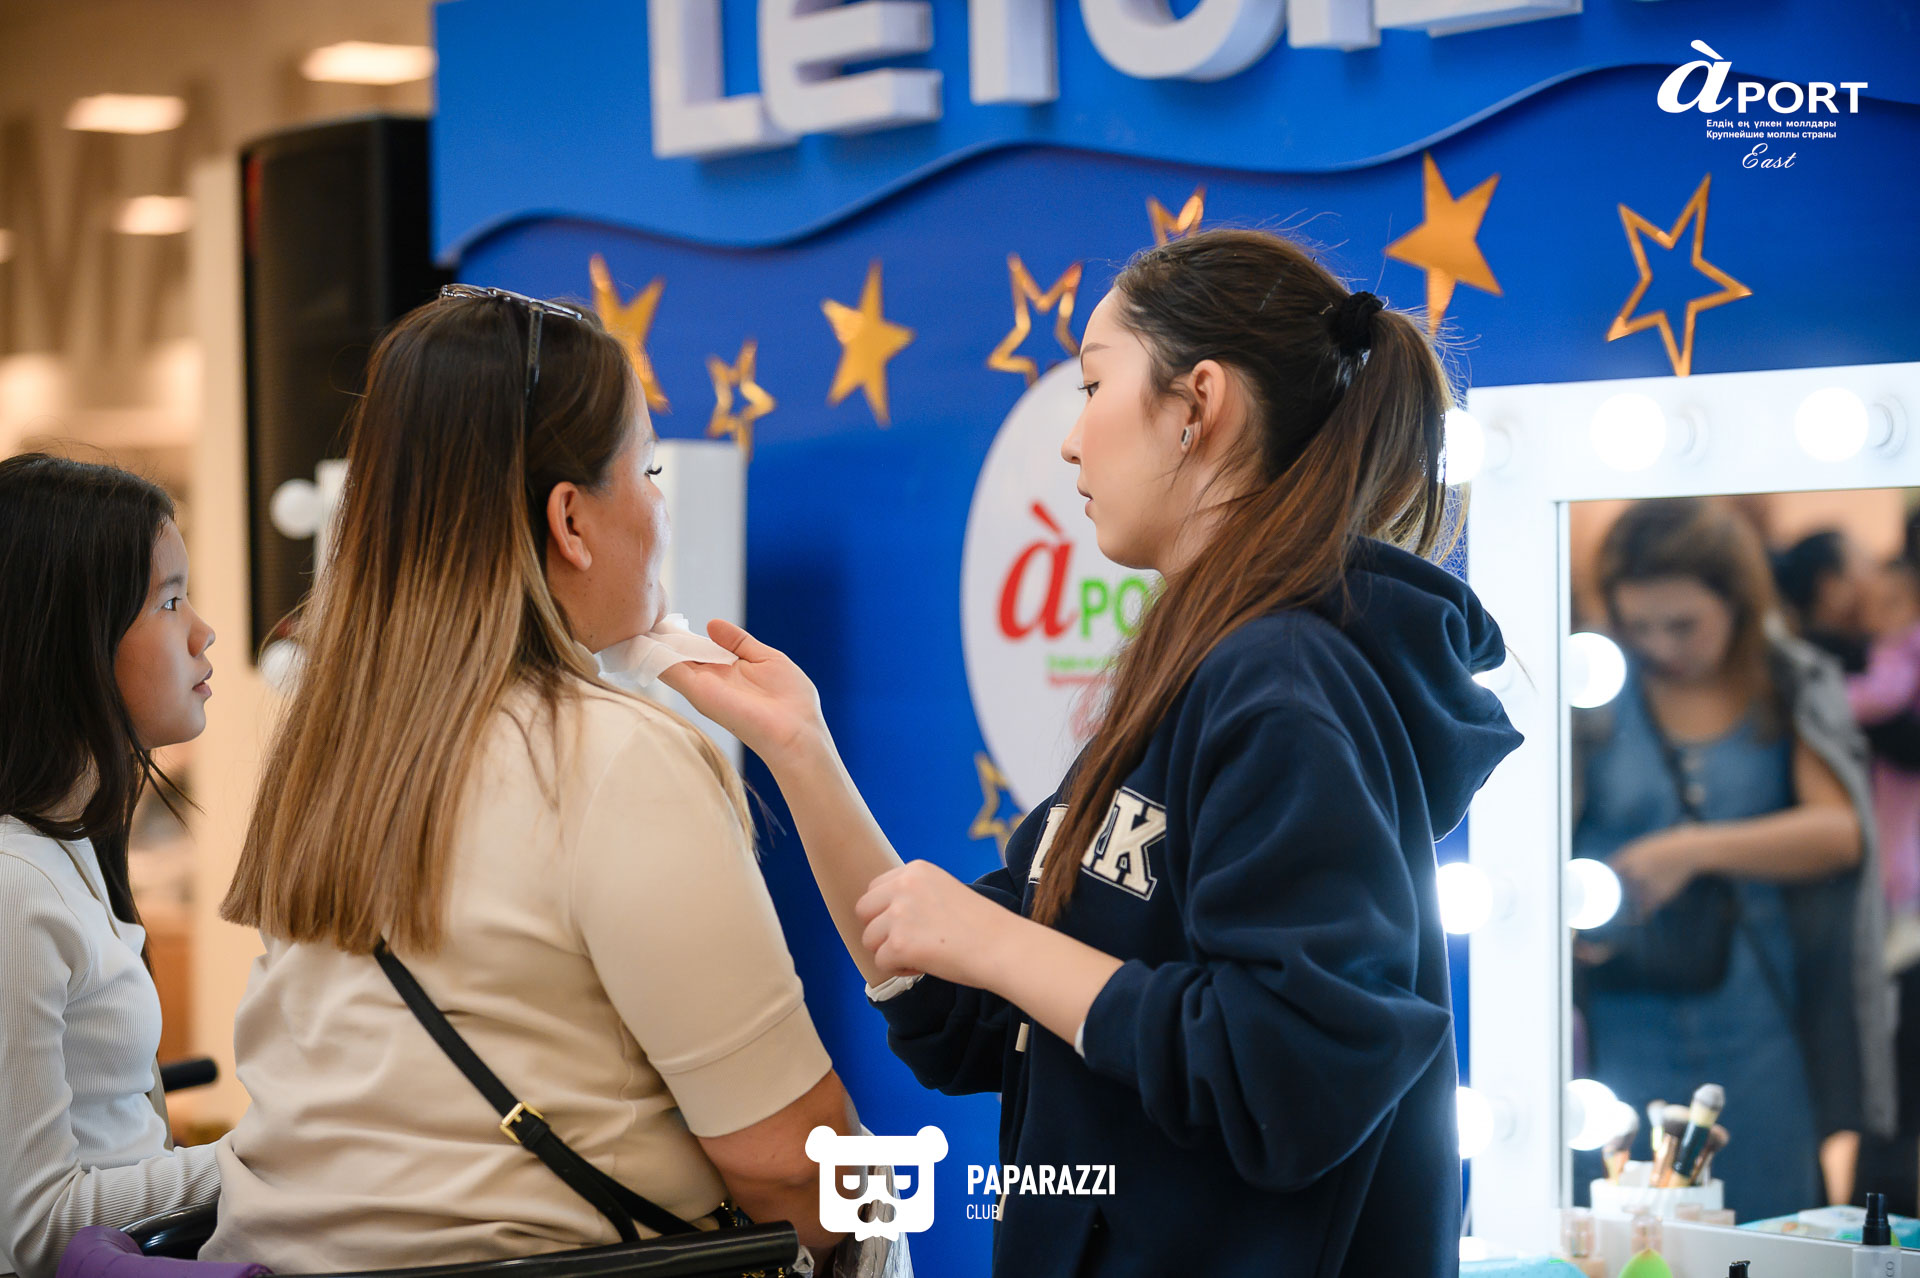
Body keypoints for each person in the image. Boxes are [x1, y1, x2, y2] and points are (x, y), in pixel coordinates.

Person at [663, 228, 1525, 1276]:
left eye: (1092, 385)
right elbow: (961, 1013)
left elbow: (1292, 1075)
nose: (1071, 443)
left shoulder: (1286, 678)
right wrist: (801, 753)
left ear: (1198, 404)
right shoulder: (1201, 671)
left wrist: (999, 945)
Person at [202, 288, 858, 1272]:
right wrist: (896, 1211)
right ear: (571, 521)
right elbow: (799, 1174)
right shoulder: (615, 758)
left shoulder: (325, 747)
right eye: (648, 471)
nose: (660, 503)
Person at [1572, 497, 1894, 1220]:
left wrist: (1695, 851)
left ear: (1737, 602)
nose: (1660, 646)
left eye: (1683, 624)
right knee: (1629, 1223)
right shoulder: (1592, 687)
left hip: (1758, 1010)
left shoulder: (1785, 681)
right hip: (1623, 1009)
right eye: (1638, 625)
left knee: (1765, 1222)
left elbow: (1841, 832)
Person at [0, 454, 220, 1278]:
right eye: (169, 601)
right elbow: (34, 1229)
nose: (202, 632)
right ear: (73, 639)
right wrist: (265, 1158)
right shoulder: (15, 885)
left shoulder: (73, 845)